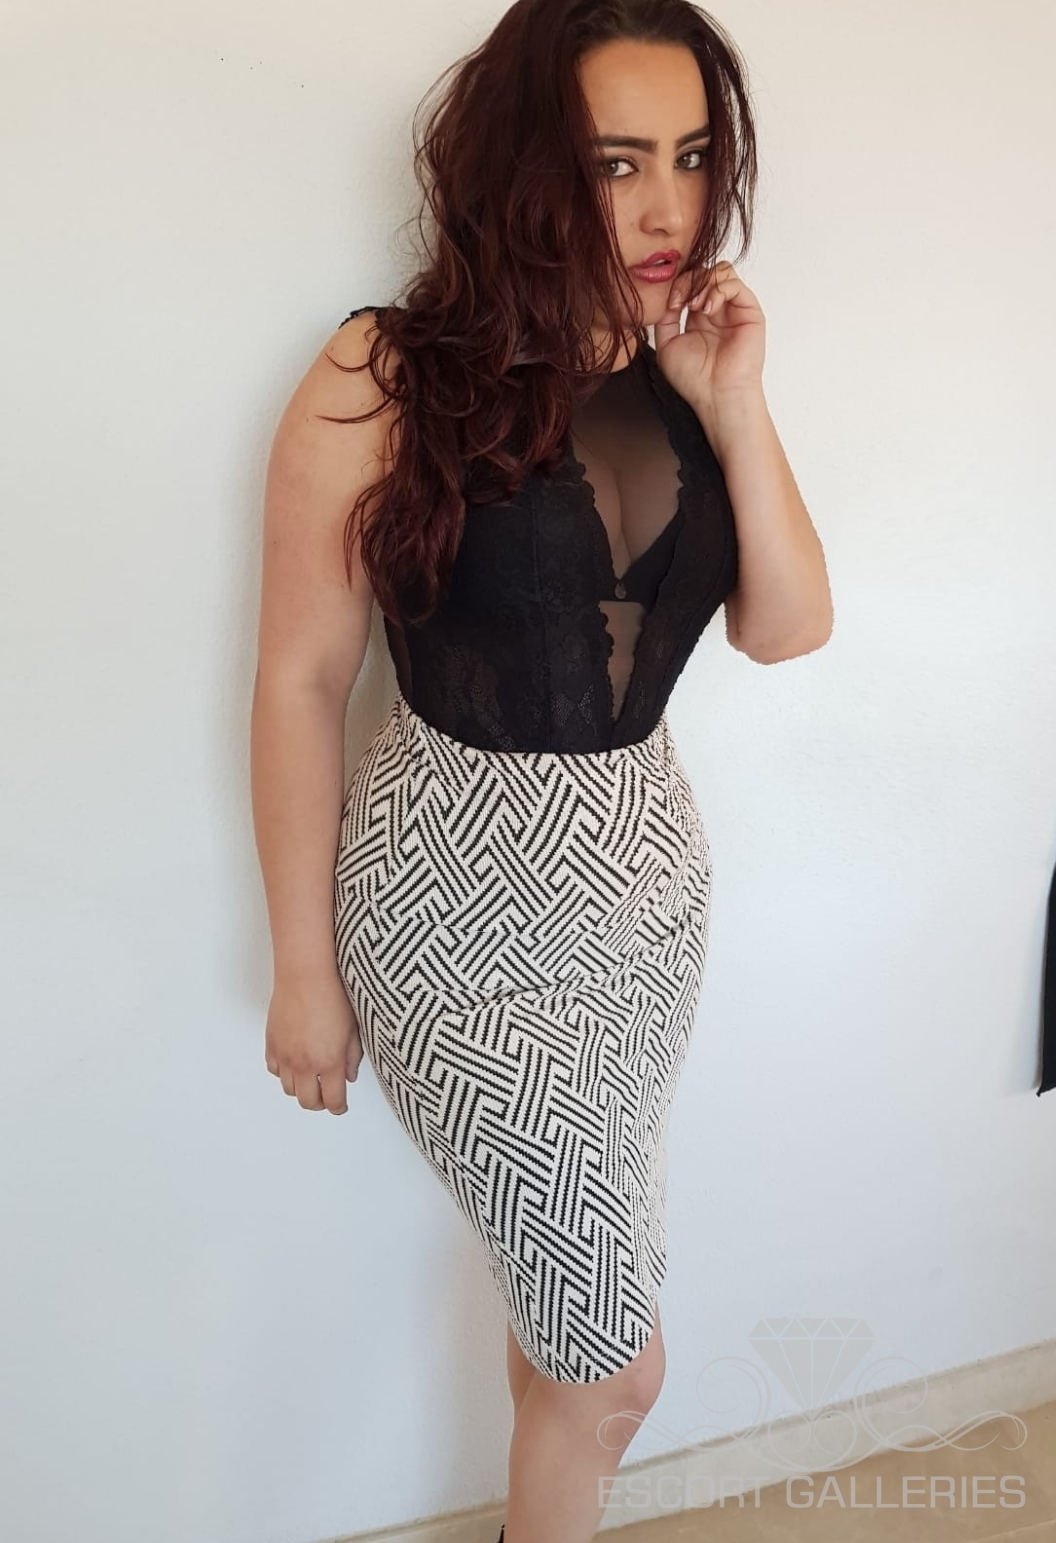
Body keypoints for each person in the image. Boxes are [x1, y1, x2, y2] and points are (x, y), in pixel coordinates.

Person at [250, 1, 832, 1539]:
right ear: (523, 166)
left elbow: (788, 628)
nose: (665, 207)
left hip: (644, 898)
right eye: (614, 162)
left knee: (571, 1318)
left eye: (692, 158)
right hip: (451, 913)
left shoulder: (685, 367)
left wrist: (736, 402)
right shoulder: (384, 373)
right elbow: (301, 681)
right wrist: (303, 971)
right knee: (617, 1363)